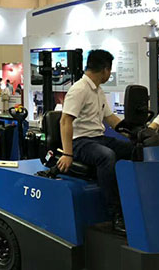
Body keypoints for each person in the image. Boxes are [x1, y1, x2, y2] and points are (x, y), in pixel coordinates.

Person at [57, 49, 133, 234]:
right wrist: (67, 153)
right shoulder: (79, 89)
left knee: (133, 149)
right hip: (80, 141)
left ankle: (133, 203)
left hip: (97, 138)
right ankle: (115, 214)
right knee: (107, 156)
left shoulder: (98, 91)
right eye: (110, 70)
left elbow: (110, 118)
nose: (109, 73)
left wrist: (133, 133)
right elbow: (65, 121)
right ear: (105, 69)